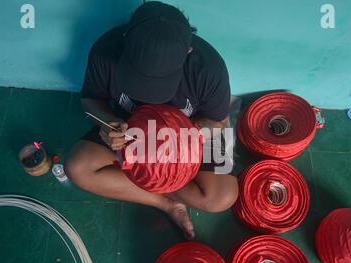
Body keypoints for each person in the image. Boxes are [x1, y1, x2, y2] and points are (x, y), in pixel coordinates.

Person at [65, 1, 238, 240]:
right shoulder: (105, 50)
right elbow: (90, 101)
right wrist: (107, 122)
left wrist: (187, 140)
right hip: (129, 129)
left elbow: (220, 121)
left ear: (188, 51)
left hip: (190, 133)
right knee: (77, 168)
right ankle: (165, 203)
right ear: (126, 40)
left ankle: (156, 181)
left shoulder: (209, 69)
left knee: (222, 197)